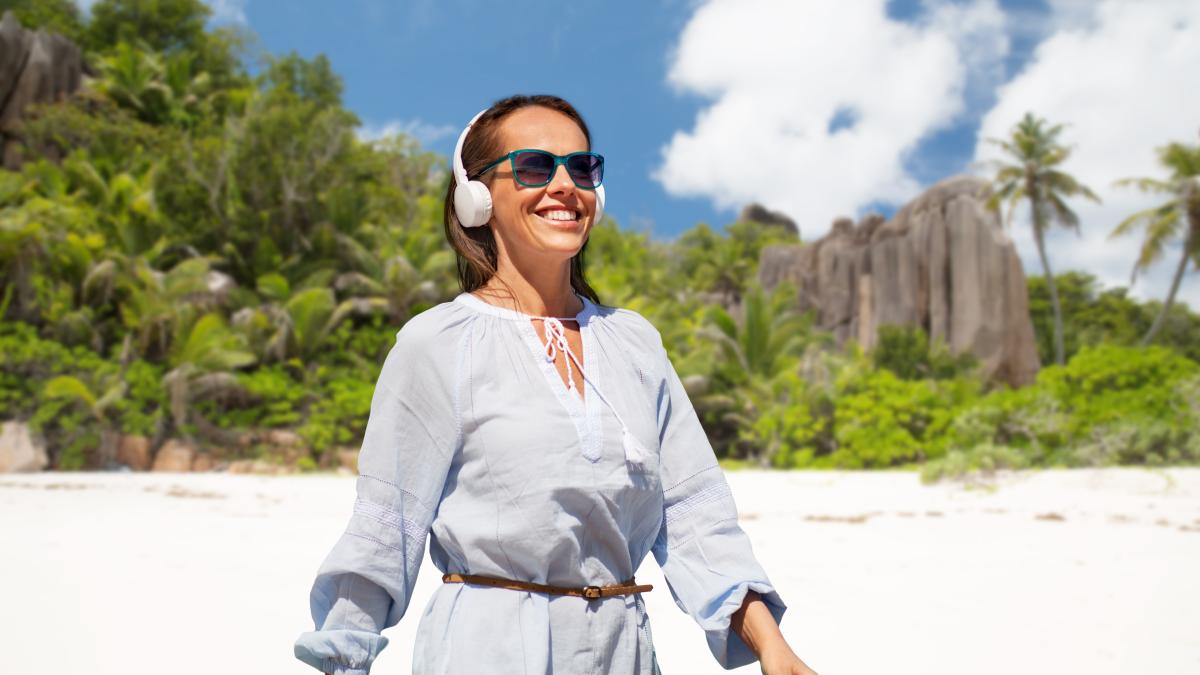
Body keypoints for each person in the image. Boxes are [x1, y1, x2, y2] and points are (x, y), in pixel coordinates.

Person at [294, 94, 817, 675]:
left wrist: (773, 646)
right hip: (486, 651)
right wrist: (343, 655)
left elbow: (694, 514)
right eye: (535, 167)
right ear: (477, 196)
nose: (565, 184)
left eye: (583, 168)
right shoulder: (437, 343)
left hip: (625, 651)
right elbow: (385, 528)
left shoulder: (636, 342)